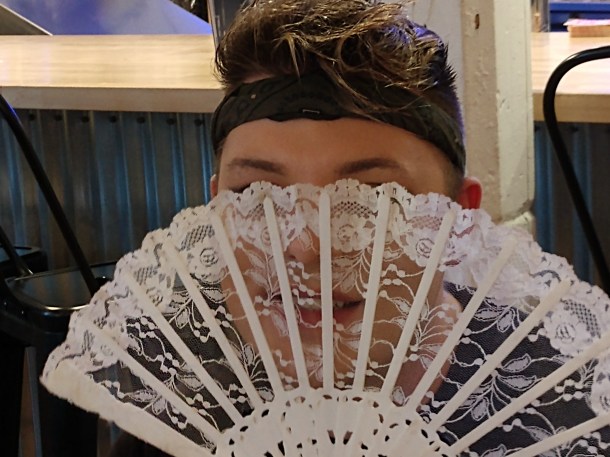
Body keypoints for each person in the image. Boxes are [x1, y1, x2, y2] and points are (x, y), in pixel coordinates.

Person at [98, 0, 607, 455]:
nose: (306, 245)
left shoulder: (557, 413)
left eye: (371, 201)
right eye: (259, 197)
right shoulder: (175, 408)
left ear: (457, 223)